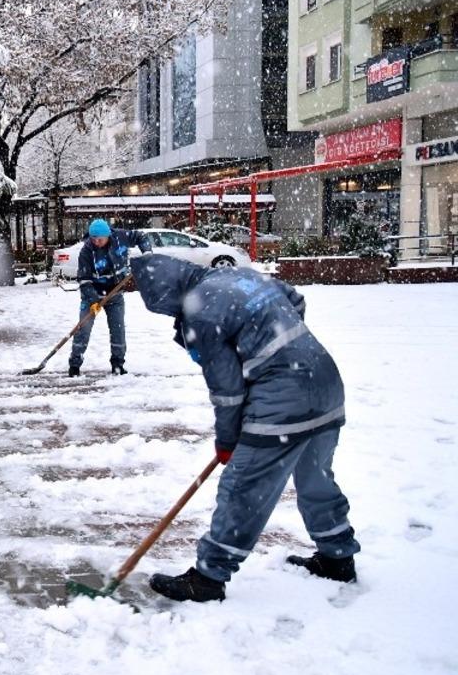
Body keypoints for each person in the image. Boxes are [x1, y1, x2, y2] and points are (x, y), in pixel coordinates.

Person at [130, 253, 360, 602]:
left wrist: (227, 441)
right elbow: (295, 298)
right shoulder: (240, 276)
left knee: (242, 487)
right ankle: (337, 556)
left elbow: (228, 392)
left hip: (282, 399)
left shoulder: (200, 311)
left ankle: (208, 578)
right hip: (325, 381)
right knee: (316, 478)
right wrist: (280, 349)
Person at [69, 218, 152, 377]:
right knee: (83, 329)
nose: (96, 242)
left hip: (115, 294)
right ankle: (74, 365)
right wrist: (93, 300)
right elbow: (84, 280)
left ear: (108, 235)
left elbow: (141, 236)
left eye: (100, 238)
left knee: (118, 330)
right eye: (93, 238)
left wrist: (147, 252)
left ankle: (118, 364)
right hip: (91, 296)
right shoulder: (86, 251)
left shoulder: (120, 237)